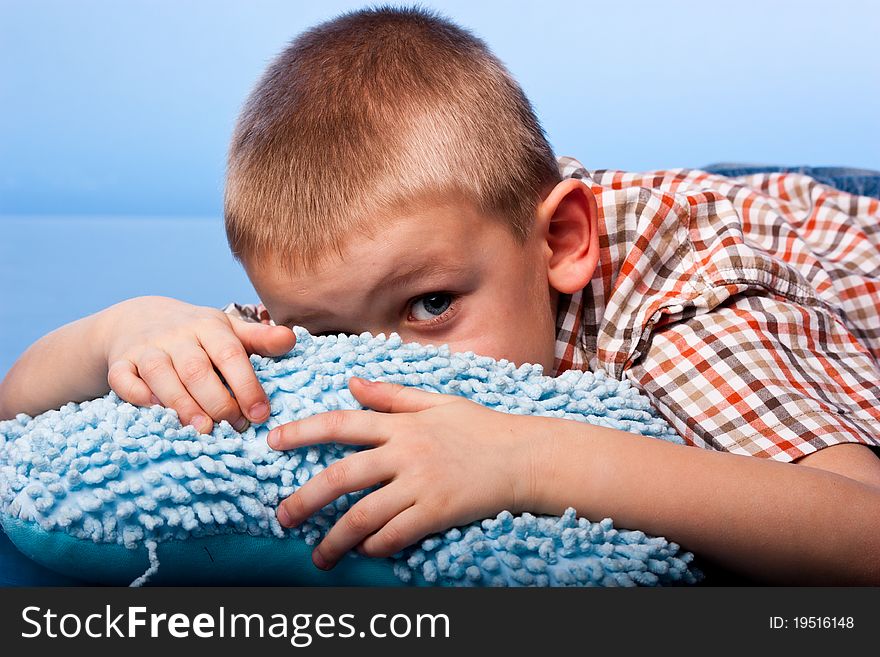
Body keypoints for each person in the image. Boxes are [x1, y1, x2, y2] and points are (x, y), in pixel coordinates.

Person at [2, 5, 879, 585]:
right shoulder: (386, 264)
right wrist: (125, 326)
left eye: (429, 309)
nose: (379, 357)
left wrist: (532, 458)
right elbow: (16, 407)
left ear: (561, 241)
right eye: (328, 331)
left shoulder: (694, 313)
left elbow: (860, 531)